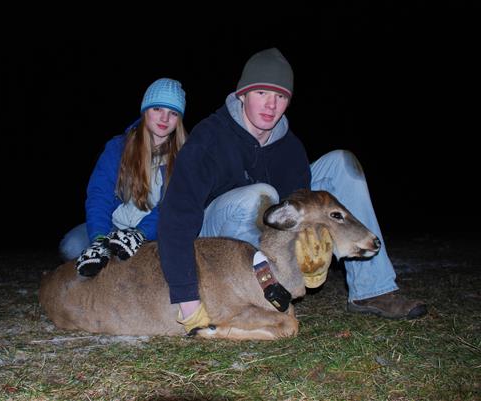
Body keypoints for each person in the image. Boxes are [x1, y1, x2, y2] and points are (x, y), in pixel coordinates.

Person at [157, 48, 427, 333]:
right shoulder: (209, 139)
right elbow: (177, 217)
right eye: (262, 93)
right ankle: (254, 298)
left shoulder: (291, 148)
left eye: (281, 97)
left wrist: (310, 254)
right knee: (259, 195)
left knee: (340, 164)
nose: (271, 105)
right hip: (213, 244)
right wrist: (187, 300)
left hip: (266, 236)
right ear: (242, 95)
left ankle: (372, 288)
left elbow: (303, 217)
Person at [59, 78, 188, 277]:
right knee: (72, 246)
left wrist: (141, 234)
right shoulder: (118, 147)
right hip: (112, 226)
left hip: (154, 232)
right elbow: (99, 195)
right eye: (157, 109)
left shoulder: (185, 156)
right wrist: (99, 238)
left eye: (173, 113)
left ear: (179, 119)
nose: (164, 119)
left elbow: (174, 205)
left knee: (150, 262)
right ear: (145, 110)